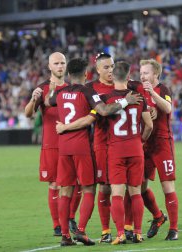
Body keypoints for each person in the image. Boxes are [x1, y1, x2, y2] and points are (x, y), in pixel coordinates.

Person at [50, 58, 142, 246]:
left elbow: (47, 99)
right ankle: (81, 230)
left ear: (68, 75)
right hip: (82, 145)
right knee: (89, 188)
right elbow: (104, 111)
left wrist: (51, 87)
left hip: (63, 146)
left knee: (65, 190)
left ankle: (65, 235)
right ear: (86, 74)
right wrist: (126, 101)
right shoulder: (88, 91)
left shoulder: (59, 93)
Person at [24, 52, 81, 237]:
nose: (60, 66)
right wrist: (33, 99)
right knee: (55, 185)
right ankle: (57, 224)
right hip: (51, 145)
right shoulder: (41, 89)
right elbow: (28, 114)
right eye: (56, 63)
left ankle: (70, 217)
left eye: (63, 63)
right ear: (49, 66)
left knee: (77, 183)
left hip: (72, 143)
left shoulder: (72, 87)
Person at [101, 61, 153, 244]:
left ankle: (120, 233)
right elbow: (149, 125)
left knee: (117, 194)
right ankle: (138, 232)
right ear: (129, 75)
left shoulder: (106, 98)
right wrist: (141, 140)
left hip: (116, 150)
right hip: (135, 148)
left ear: (113, 76)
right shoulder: (139, 97)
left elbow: (104, 114)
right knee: (136, 193)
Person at [139, 59, 179, 240]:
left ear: (155, 74)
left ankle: (174, 229)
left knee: (167, 186)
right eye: (141, 72)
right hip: (145, 144)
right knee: (139, 187)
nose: (142, 75)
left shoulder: (163, 90)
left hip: (162, 144)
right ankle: (157, 216)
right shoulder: (138, 91)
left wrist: (153, 96)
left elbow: (168, 107)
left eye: (146, 72)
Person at [85, 52, 115, 243]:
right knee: (104, 187)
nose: (110, 70)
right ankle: (105, 230)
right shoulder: (90, 88)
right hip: (102, 143)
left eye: (112, 66)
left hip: (124, 143)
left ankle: (128, 228)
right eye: (106, 67)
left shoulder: (123, 83)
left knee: (126, 188)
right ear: (97, 70)